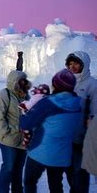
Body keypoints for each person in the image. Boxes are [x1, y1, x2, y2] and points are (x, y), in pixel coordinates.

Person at [20, 69, 81, 193]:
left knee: (29, 181)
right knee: (56, 185)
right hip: (63, 154)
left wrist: (24, 112)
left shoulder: (47, 103)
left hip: (39, 152)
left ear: (56, 85)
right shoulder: (79, 103)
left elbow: (25, 124)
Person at [0, 70, 31, 193]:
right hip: (9, 139)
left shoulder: (26, 96)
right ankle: (3, 190)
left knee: (18, 168)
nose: (22, 83)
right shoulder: (3, 95)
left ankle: (17, 190)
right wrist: (6, 132)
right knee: (8, 167)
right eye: (20, 81)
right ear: (13, 82)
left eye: (24, 80)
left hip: (23, 139)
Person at [64, 51, 97, 193]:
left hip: (83, 138)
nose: (73, 66)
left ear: (84, 64)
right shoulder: (65, 82)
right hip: (66, 137)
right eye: (70, 63)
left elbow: (95, 111)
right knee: (69, 170)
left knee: (80, 172)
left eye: (76, 63)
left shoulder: (92, 84)